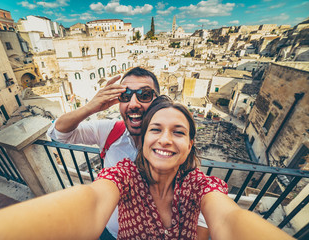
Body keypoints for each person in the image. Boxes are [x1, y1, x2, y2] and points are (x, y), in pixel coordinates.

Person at [0, 96, 293, 240]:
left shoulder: (199, 185)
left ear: (190, 146)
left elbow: (230, 220)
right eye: (155, 129)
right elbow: (92, 200)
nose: (165, 139)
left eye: (179, 132)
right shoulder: (124, 175)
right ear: (143, 140)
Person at [47, 67, 209, 239]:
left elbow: (198, 203)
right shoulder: (111, 132)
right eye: (125, 96)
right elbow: (58, 133)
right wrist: (90, 107)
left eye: (144, 95)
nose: (133, 104)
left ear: (157, 102)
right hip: (110, 231)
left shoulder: (172, 149)